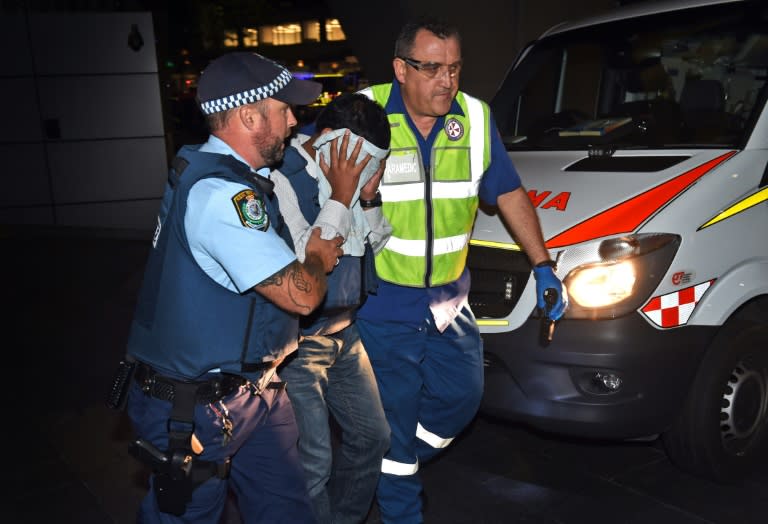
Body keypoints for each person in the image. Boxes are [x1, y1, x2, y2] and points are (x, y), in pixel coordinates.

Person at [115, 51, 345, 523]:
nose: (294, 121)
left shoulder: (233, 179)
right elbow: (302, 293)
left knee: (287, 512)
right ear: (248, 116)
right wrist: (321, 252)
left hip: (251, 393)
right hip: (193, 409)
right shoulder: (223, 196)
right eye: (285, 110)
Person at [356, 17, 568, 523]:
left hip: (450, 301)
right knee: (396, 414)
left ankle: (389, 463)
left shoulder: (473, 118)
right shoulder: (363, 113)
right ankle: (399, 500)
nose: (446, 81)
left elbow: (509, 191)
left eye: (453, 68)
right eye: (431, 68)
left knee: (462, 398)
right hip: (383, 304)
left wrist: (542, 264)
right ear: (400, 70)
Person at [271, 93, 392, 524]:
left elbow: (369, 248)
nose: (363, 173)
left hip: (345, 332)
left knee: (372, 437)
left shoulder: (349, 177)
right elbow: (306, 262)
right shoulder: (283, 177)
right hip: (300, 343)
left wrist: (368, 198)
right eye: (361, 162)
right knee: (313, 463)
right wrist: (341, 197)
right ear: (327, 141)